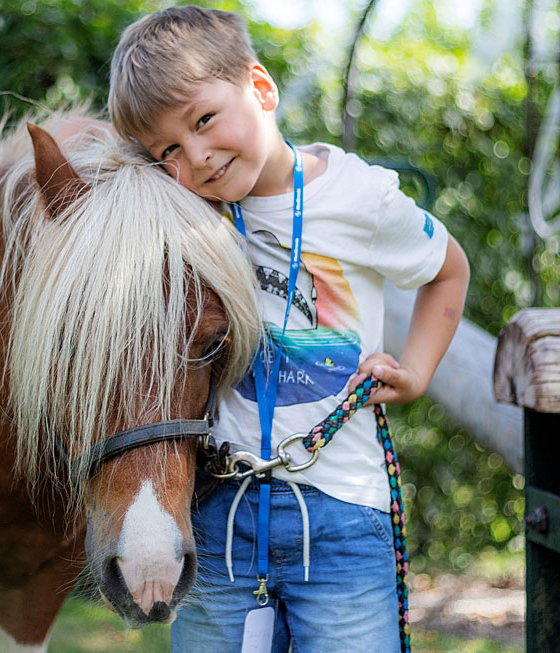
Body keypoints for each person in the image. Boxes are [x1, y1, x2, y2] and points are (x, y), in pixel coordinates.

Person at [107, 6, 470, 652]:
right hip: (220, 516)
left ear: (262, 88)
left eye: (204, 120)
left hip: (343, 517)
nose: (198, 156)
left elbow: (449, 269)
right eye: (169, 150)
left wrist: (416, 370)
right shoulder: (181, 216)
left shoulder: (362, 198)